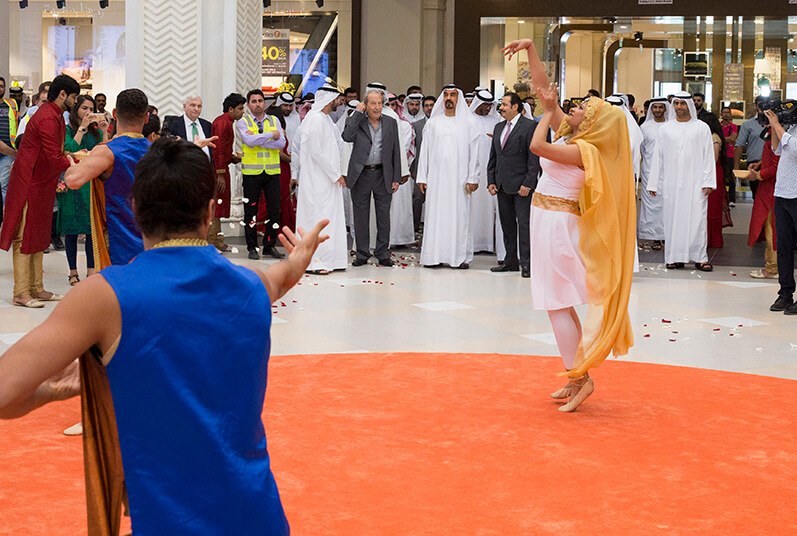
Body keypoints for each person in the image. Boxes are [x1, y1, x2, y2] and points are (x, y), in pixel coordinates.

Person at [0, 136, 331, 533]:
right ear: (210, 212)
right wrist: (298, 259)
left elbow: (5, 394)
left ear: (135, 209)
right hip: (259, 516)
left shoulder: (105, 296)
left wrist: (59, 389)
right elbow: (282, 277)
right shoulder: (251, 285)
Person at [503, 38, 635, 412]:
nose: (573, 109)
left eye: (582, 109)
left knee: (556, 302)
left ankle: (580, 378)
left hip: (559, 226)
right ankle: (575, 374)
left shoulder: (582, 150)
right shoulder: (575, 135)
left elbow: (537, 147)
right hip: (547, 219)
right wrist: (530, 49)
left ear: (592, 123)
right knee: (558, 303)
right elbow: (546, 93)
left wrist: (545, 114)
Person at [0, 75, 80, 308]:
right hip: (29, 182)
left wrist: (73, 158)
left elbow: (56, 153)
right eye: (73, 97)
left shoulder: (54, 115)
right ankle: (21, 292)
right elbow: (53, 155)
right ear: (62, 94)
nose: (74, 102)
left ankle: (37, 288)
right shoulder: (46, 116)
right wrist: (78, 164)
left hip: (41, 182)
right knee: (24, 236)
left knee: (38, 234)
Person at [647, 92, 716, 271]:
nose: (679, 107)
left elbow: (708, 156)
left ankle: (700, 258)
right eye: (676, 103)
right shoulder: (666, 129)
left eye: (682, 104)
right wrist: (653, 183)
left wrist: (708, 181)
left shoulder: (701, 127)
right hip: (671, 183)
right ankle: (674, 257)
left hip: (696, 183)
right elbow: (657, 158)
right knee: (672, 220)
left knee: (697, 220)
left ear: (689, 105)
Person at [416, 85, 480, 269]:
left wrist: (473, 177)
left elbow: (475, 152)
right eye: (445, 95)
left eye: (452, 95)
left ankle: (458, 258)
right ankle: (433, 256)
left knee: (459, 216)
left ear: (458, 98)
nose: (449, 98)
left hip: (460, 181)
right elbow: (425, 152)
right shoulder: (433, 123)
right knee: (435, 216)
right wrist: (422, 177)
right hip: (436, 180)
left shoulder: (469, 123)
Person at [342, 87, 402, 266]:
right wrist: (357, 114)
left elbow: (395, 151)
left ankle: (383, 253)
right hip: (361, 174)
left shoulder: (391, 122)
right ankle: (362, 253)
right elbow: (347, 136)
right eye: (372, 103)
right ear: (365, 104)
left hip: (383, 174)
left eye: (379, 103)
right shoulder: (356, 120)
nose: (377, 107)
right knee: (360, 216)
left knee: (383, 216)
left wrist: (396, 177)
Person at [487, 91, 541, 278]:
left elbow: (533, 159)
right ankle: (510, 261)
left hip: (521, 187)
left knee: (524, 225)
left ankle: (527, 264)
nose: (500, 108)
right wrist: (491, 180)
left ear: (515, 107)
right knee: (507, 224)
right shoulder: (498, 127)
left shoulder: (530, 127)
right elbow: (494, 156)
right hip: (502, 185)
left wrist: (529, 183)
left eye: (504, 104)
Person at [296, 85, 348, 274]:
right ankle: (317, 262)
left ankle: (332, 260)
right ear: (329, 100)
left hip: (327, 181)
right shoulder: (316, 120)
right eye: (337, 99)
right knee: (319, 219)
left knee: (328, 219)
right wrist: (336, 175)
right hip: (318, 181)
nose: (339, 102)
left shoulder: (324, 119)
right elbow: (316, 153)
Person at [59, 95, 107, 285]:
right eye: (84, 108)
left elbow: (105, 151)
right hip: (73, 181)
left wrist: (103, 131)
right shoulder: (68, 129)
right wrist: (82, 128)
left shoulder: (94, 133)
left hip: (92, 182)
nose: (88, 112)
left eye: (91, 109)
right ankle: (72, 271)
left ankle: (91, 270)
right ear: (76, 110)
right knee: (71, 229)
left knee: (90, 229)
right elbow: (69, 149)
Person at [239, 89, 286, 260]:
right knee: (250, 212)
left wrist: (260, 138)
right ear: (248, 104)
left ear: (264, 103)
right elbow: (248, 141)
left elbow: (281, 142)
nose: (258, 104)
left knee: (274, 211)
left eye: (260, 101)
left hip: (272, 172)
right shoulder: (243, 122)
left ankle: (269, 245)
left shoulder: (274, 120)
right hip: (251, 173)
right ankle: (252, 247)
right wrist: (270, 136)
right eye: (254, 101)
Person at [765, 110, 797, 315]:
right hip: (783, 194)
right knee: (783, 246)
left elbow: (794, 150)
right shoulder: (791, 127)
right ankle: (785, 293)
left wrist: (777, 125)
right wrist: (773, 126)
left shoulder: (787, 129)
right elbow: (777, 149)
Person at [469, 89, 505, 259]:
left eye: (489, 105)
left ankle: (489, 243)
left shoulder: (496, 121)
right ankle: (473, 243)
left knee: (491, 207)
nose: (486, 108)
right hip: (473, 170)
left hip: (492, 170)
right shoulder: (468, 120)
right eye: (483, 105)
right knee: (473, 207)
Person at [209, 92, 245, 251]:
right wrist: (221, 174)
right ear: (231, 109)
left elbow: (223, 151)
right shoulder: (224, 123)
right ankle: (213, 242)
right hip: (218, 171)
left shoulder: (226, 121)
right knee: (216, 206)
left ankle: (218, 241)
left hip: (221, 168)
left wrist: (232, 158)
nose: (243, 112)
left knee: (218, 205)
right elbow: (219, 150)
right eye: (240, 108)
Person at [745, 135, 779, 279]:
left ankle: (772, 268)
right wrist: (761, 163)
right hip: (772, 188)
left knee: (772, 228)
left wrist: (758, 175)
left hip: (772, 190)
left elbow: (776, 166)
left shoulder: (778, 135)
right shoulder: (782, 134)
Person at [638, 98, 670, 250]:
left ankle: (667, 235)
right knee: (651, 204)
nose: (657, 110)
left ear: (665, 109)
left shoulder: (670, 126)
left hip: (668, 171)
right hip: (649, 170)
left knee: (666, 204)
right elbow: (642, 150)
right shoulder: (645, 127)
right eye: (655, 107)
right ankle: (654, 236)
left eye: (660, 107)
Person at [386, 92, 415, 248]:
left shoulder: (404, 125)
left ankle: (400, 239)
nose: (390, 108)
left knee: (400, 206)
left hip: (399, 171)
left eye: (392, 105)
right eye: (387, 105)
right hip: (380, 171)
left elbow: (402, 149)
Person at [701, 112, 734, 248]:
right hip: (710, 171)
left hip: (713, 173)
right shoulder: (709, 136)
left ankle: (713, 239)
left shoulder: (714, 138)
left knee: (713, 206)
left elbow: (713, 159)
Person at [735, 96, 768, 199]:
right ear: (756, 106)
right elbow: (739, 145)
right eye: (760, 105)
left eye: (765, 104)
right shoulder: (748, 125)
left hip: (772, 164)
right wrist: (736, 168)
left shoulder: (777, 124)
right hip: (754, 165)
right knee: (757, 197)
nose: (763, 107)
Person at [411, 95, 435, 231]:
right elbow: (414, 150)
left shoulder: (442, 124)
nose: (429, 108)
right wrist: (413, 169)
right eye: (426, 106)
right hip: (421, 169)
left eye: (432, 105)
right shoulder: (416, 125)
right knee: (417, 198)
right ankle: (415, 227)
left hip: (438, 169)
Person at [171, 94, 213, 161]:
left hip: (204, 167)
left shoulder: (207, 125)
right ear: (184, 107)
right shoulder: (174, 124)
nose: (196, 109)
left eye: (199, 106)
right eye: (193, 105)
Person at [0, 76, 19, 204]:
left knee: (3, 184)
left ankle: (4, 217)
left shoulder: (11, 104)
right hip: (6, 150)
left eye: (1, 86)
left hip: (8, 150)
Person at [720, 106, 739, 205]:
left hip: (730, 155)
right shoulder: (718, 125)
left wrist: (721, 139)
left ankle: (731, 199)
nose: (726, 114)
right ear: (721, 114)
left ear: (730, 114)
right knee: (721, 178)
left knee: (731, 178)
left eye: (728, 112)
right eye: (724, 112)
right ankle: (722, 199)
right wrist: (727, 138)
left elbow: (732, 138)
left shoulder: (733, 126)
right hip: (720, 154)